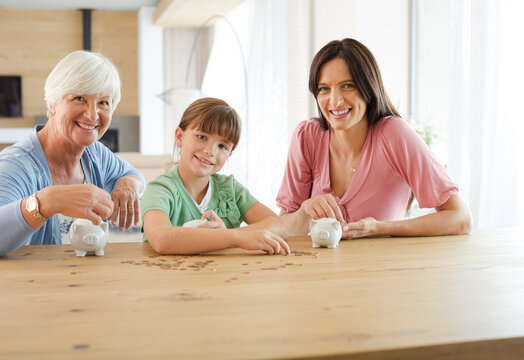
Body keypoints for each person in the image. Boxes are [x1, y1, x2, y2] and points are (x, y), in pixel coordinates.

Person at [277, 38, 471, 238]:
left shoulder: (394, 134)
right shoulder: (306, 137)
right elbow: (284, 228)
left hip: (382, 267)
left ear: (368, 88)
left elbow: (460, 218)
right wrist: (304, 212)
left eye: (348, 85)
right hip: (318, 267)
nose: (335, 100)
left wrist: (379, 228)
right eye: (324, 88)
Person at [0, 50, 144, 256]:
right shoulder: (15, 165)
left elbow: (133, 175)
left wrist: (128, 184)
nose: (93, 114)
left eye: (103, 102)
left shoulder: (95, 154)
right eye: (79, 98)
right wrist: (47, 201)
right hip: (35, 286)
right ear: (53, 103)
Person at [141, 97, 289, 255]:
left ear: (229, 154)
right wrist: (233, 237)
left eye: (222, 146)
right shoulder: (160, 189)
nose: (210, 151)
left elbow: (278, 225)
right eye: (202, 137)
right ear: (179, 136)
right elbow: (161, 239)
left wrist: (230, 236)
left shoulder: (230, 188)